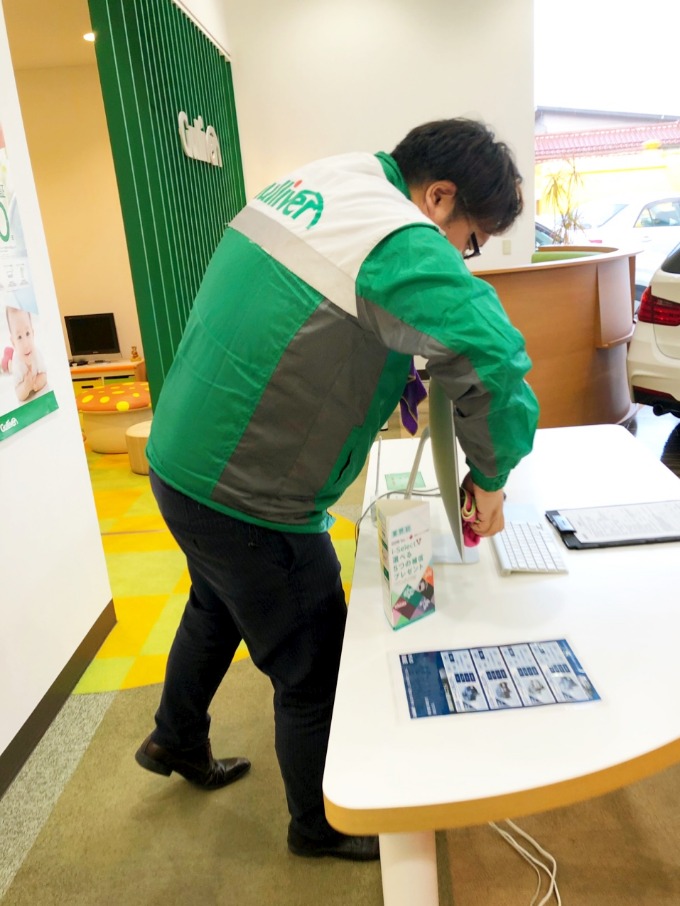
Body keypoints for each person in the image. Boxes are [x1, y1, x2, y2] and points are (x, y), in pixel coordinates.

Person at [135, 118, 540, 861]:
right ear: (439, 196)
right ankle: (319, 826)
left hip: (178, 460)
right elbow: (498, 360)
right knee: (312, 662)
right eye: (471, 239)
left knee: (216, 603)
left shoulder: (327, 178)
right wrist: (491, 476)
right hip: (249, 496)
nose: (463, 258)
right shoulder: (397, 236)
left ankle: (175, 735)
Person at [5, 306, 47, 402]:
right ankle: (7, 361)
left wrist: (36, 384)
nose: (26, 344)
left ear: (33, 333)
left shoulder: (36, 353)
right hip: (15, 368)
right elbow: (19, 395)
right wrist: (26, 387)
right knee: (9, 367)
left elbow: (44, 375)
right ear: (13, 342)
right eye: (19, 337)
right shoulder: (17, 364)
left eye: (27, 334)